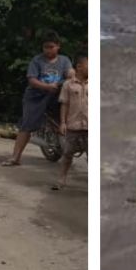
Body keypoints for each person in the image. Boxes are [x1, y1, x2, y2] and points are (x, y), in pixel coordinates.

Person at [2, 31, 74, 167]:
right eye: (46, 47)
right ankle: (15, 157)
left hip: (56, 94)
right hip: (35, 96)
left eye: (51, 47)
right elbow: (32, 80)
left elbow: (70, 73)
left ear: (58, 46)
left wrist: (72, 74)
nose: (48, 50)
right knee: (27, 125)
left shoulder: (64, 60)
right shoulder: (37, 60)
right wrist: (46, 86)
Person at [52, 55, 88, 192]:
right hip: (73, 125)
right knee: (67, 154)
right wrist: (63, 123)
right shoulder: (68, 84)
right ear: (79, 67)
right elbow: (64, 104)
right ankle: (61, 179)